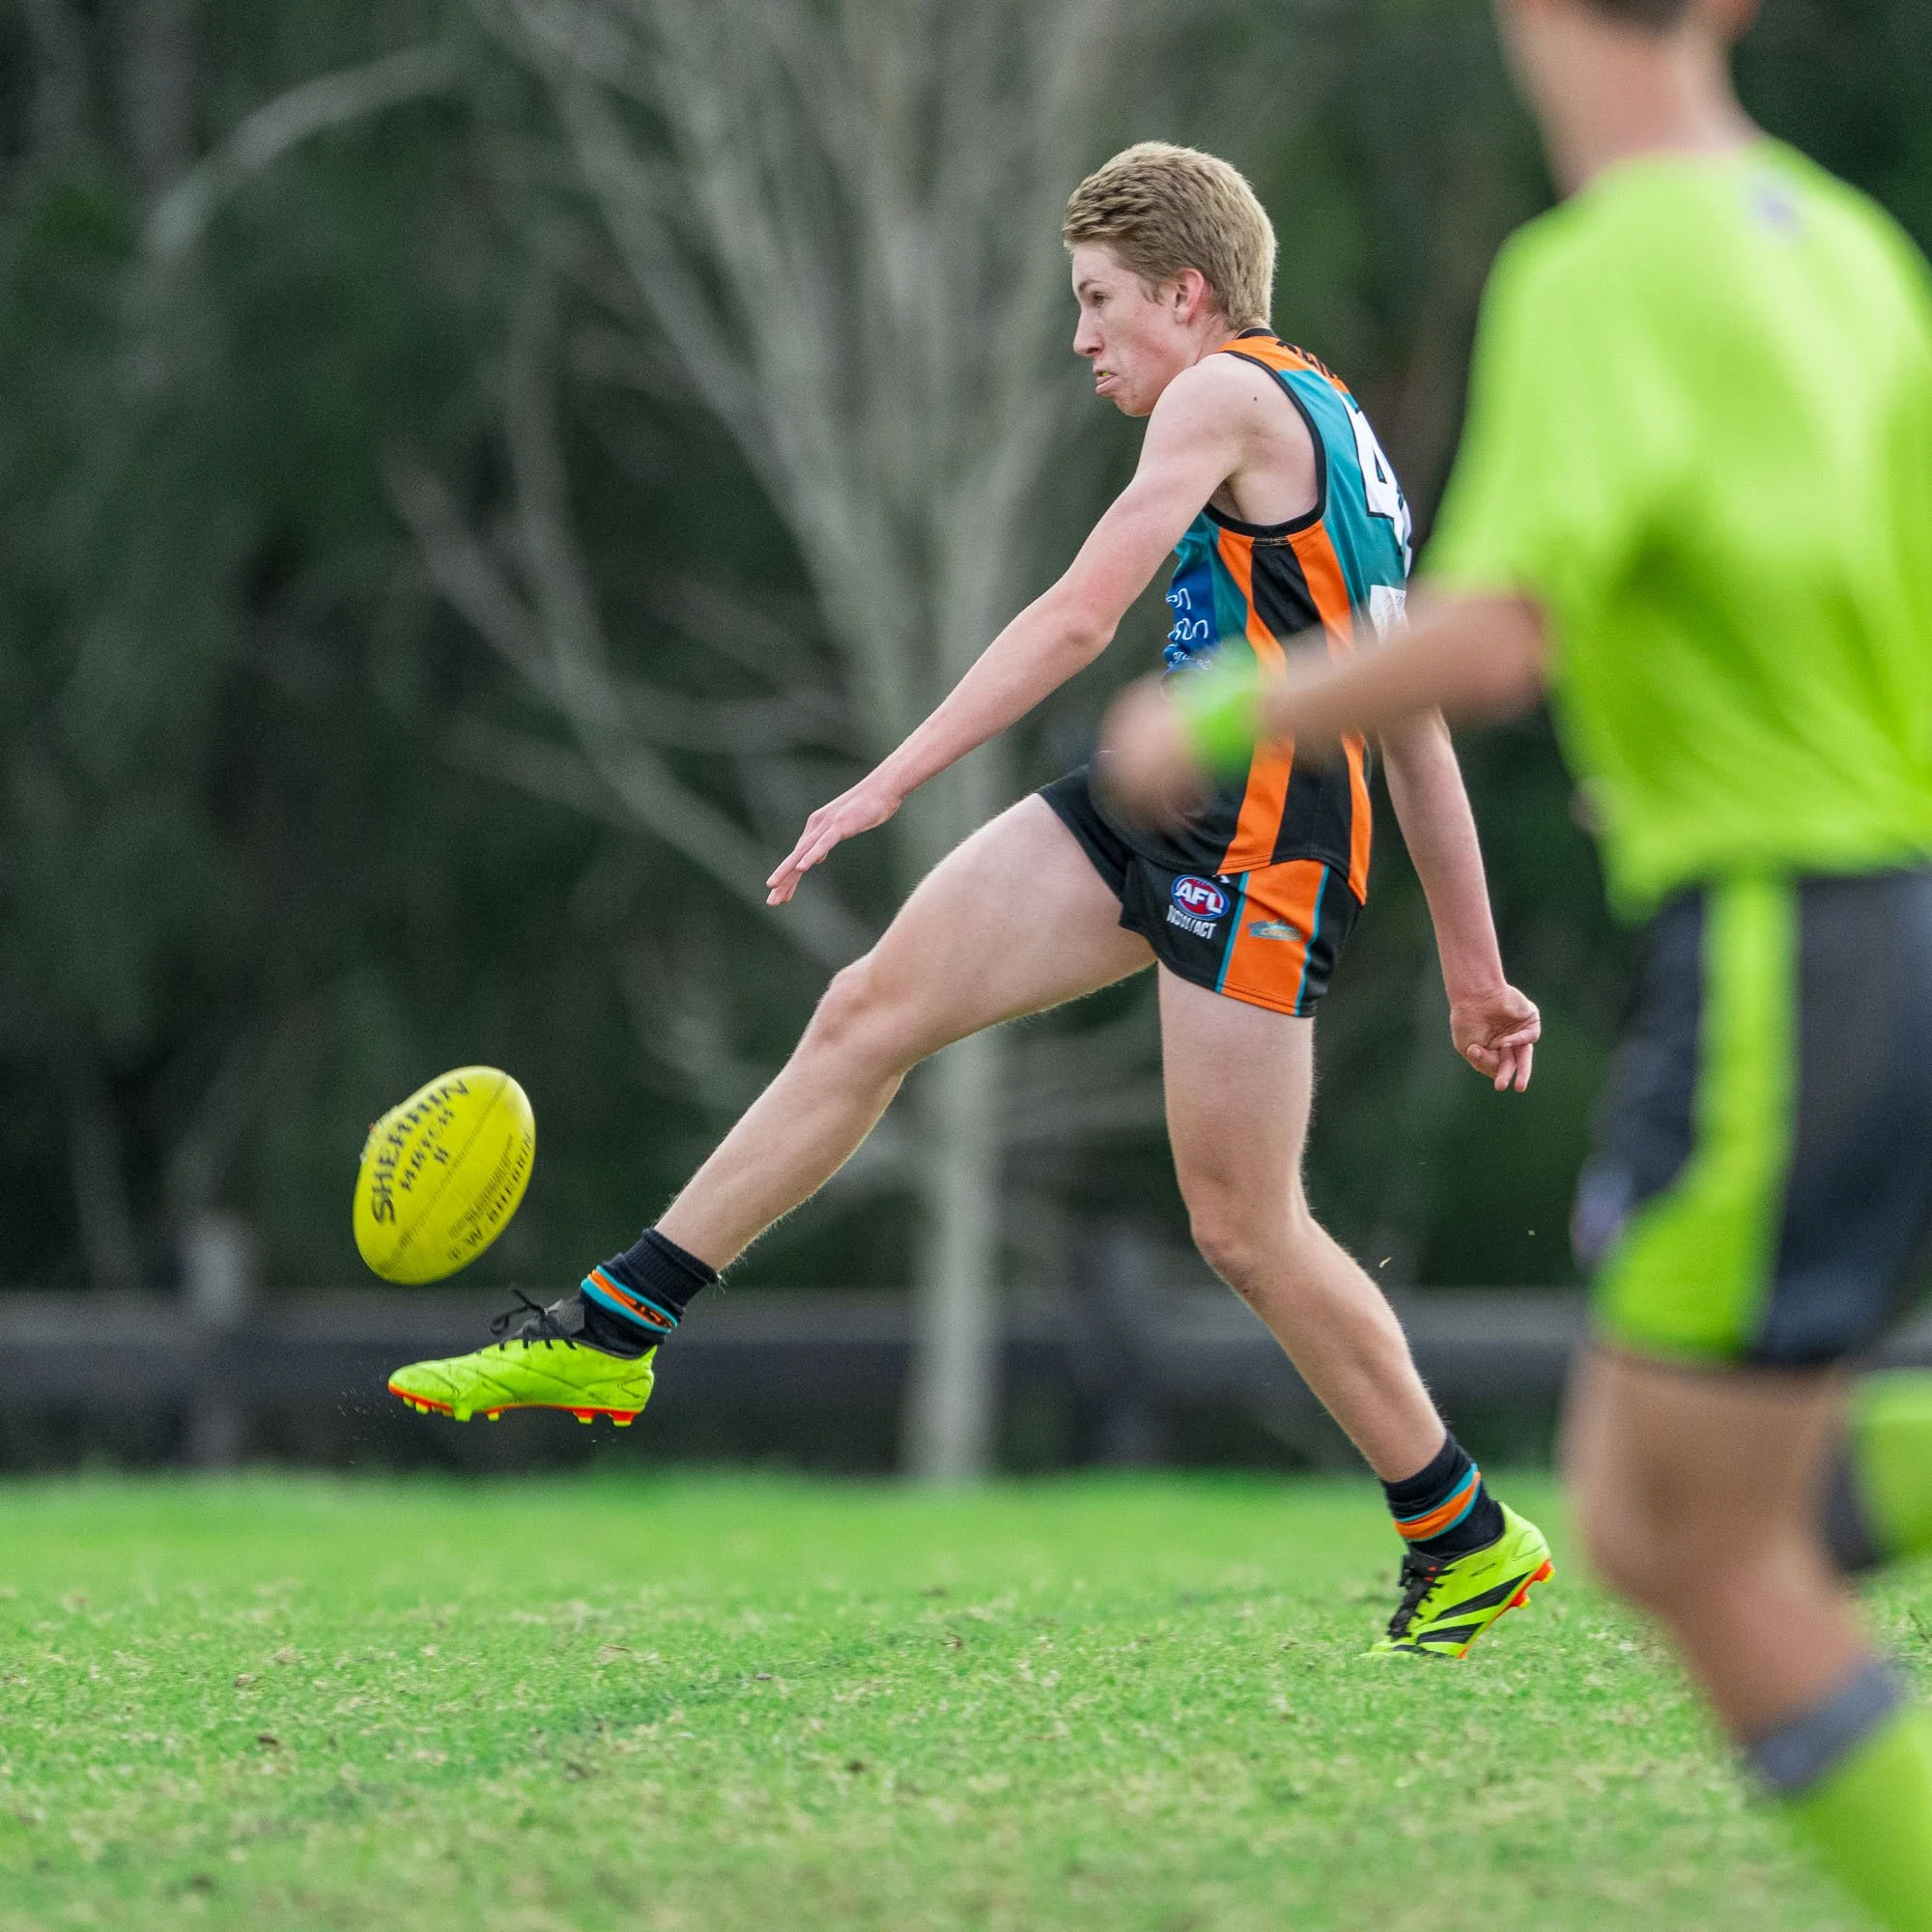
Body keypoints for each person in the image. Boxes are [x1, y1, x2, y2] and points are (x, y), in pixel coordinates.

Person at [389, 142, 1551, 1657]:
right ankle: (614, 1329)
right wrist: (1475, 965)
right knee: (869, 1009)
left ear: (1187, 294)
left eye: (1098, 301)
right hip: (1160, 802)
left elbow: (1081, 617)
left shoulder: (1220, 393)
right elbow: (1411, 719)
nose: (1081, 338)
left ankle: (1464, 1531)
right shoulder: (1323, 415)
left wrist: (888, 779)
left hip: (1261, 841)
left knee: (1244, 1227)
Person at [1098, 4, 1932, 1923]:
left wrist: (1208, 717)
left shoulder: (1597, 270)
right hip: (1891, 915)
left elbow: (1488, 637)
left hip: (1789, 947)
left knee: (1698, 1552)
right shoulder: (1852, 249)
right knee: (1648, 1508)